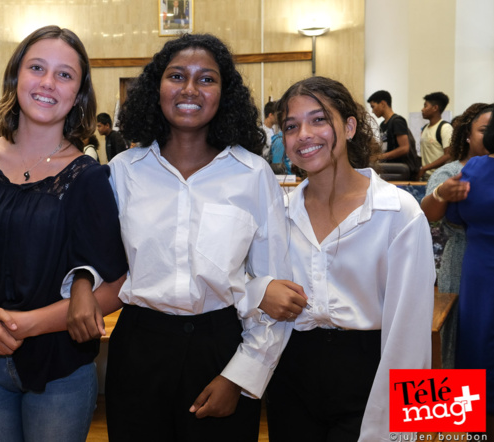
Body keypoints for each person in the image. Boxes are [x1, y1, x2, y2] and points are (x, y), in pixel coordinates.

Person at [71, 33, 304, 442]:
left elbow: (273, 290)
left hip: (222, 345)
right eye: (177, 76)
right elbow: (95, 254)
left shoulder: (252, 174)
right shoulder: (124, 171)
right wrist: (81, 282)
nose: (190, 89)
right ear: (156, 88)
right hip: (139, 347)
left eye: (207, 79)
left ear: (224, 92)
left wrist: (240, 376)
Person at [0, 25, 127, 442]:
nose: (48, 83)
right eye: (37, 68)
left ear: (78, 93)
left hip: (60, 364)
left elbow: (116, 285)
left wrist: (25, 325)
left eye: (65, 74)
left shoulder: (88, 177)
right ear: (16, 77)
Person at [260, 76, 434, 442]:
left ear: (350, 127)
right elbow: (248, 280)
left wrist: (400, 429)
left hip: (369, 368)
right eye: (291, 126)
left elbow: (409, 331)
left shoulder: (397, 212)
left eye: (319, 119)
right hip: (292, 368)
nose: (304, 134)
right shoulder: (280, 212)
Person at [445, 108, 494, 440]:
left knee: (478, 341)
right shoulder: (466, 169)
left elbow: (454, 217)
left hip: (479, 264)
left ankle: (471, 429)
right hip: (477, 264)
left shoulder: (473, 169)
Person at [421, 103, 493, 294]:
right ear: (467, 135)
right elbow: (428, 214)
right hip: (461, 262)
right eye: (484, 130)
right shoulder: (451, 172)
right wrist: (442, 193)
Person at [368, 90, 420, 179]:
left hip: (401, 171)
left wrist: (379, 157)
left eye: (373, 106)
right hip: (390, 168)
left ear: (383, 104)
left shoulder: (397, 121)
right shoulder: (382, 125)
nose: (372, 111)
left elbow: (404, 148)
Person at [419, 92, 453, 180]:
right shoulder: (425, 128)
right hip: (425, 177)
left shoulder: (445, 128)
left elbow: (448, 155)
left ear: (435, 108)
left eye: (425, 106)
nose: (422, 109)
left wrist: (426, 168)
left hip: (440, 177)